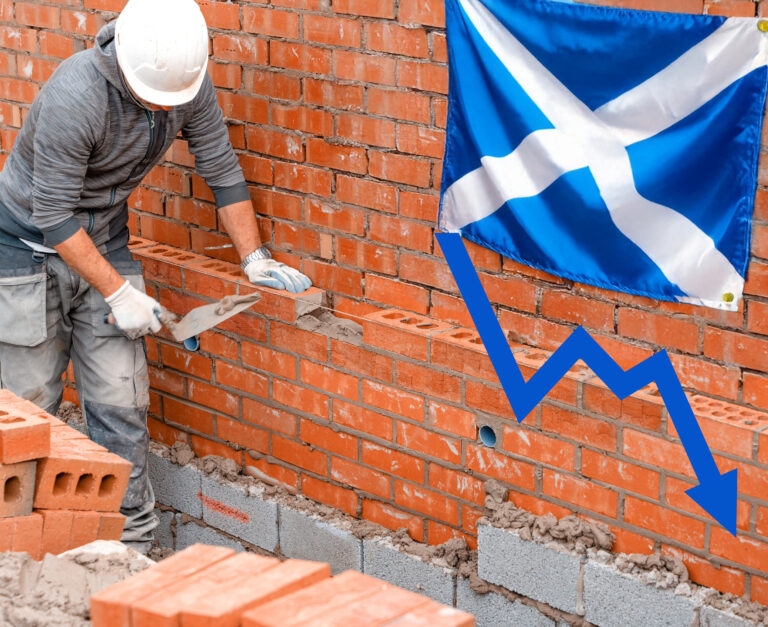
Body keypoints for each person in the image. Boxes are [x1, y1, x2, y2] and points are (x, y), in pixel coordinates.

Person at [0, 0, 311, 553]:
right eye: (151, 95)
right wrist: (119, 292)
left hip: (105, 241)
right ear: (125, 62)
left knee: (121, 399)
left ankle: (132, 551)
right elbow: (52, 215)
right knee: (29, 405)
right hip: (25, 249)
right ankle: (19, 549)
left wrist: (254, 258)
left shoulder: (184, 77)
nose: (162, 105)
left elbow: (219, 163)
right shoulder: (77, 95)